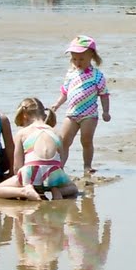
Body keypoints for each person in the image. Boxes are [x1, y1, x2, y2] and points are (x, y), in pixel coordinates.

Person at [0, 97, 78, 200]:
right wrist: (58, 182)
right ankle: (57, 191)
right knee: (73, 188)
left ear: (24, 115)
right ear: (44, 114)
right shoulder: (57, 133)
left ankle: (25, 190)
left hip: (31, 173)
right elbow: (61, 163)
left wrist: (21, 182)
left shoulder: (22, 133)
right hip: (54, 174)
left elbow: (17, 167)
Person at [55, 35, 112, 177]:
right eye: (74, 59)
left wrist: (106, 111)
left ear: (91, 56)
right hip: (71, 114)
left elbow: (104, 95)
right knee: (64, 141)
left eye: (81, 59)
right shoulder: (71, 74)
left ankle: (87, 166)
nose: (78, 62)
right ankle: (60, 166)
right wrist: (57, 104)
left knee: (86, 140)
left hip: (89, 115)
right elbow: (65, 92)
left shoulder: (97, 75)